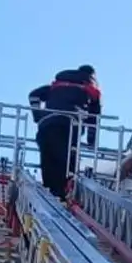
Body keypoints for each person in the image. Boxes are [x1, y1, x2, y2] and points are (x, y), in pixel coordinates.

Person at [28, 65, 102, 202]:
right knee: (67, 162)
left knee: (48, 160)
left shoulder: (56, 86)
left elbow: (33, 95)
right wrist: (91, 141)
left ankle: (49, 194)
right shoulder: (91, 90)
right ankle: (63, 196)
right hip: (69, 126)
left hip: (46, 125)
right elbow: (94, 119)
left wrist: (38, 115)